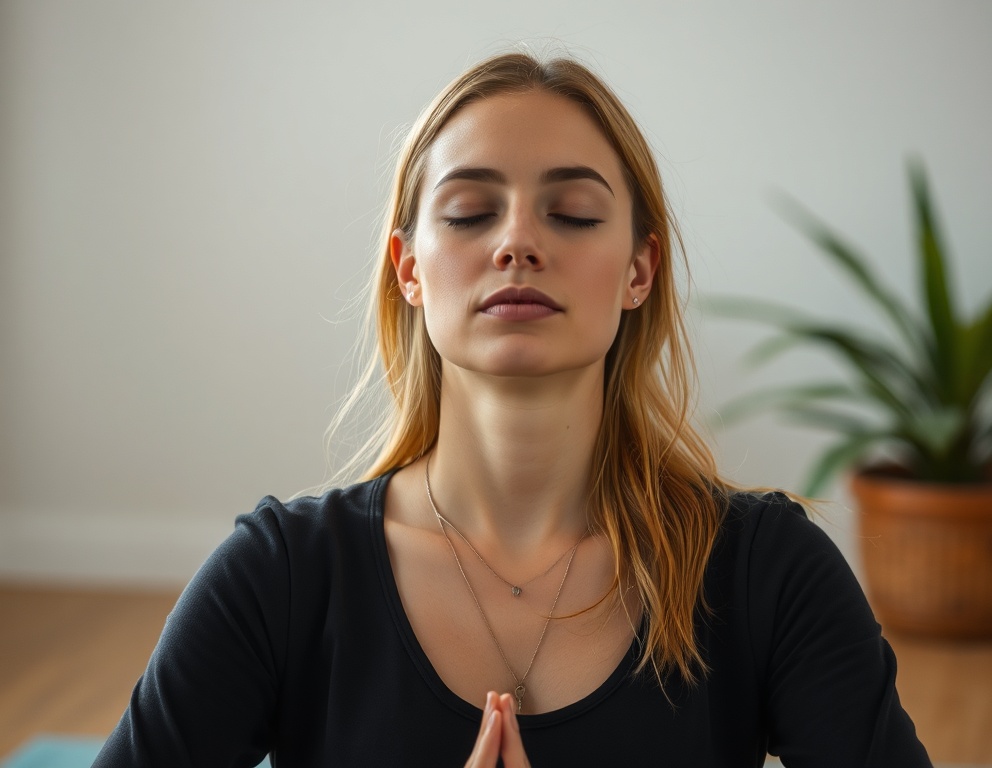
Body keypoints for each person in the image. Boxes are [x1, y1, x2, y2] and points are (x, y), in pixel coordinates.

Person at [94, 52, 932, 767]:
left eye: (571, 213)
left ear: (640, 270)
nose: (517, 242)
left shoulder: (769, 573)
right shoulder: (279, 577)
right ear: (409, 271)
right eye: (468, 212)